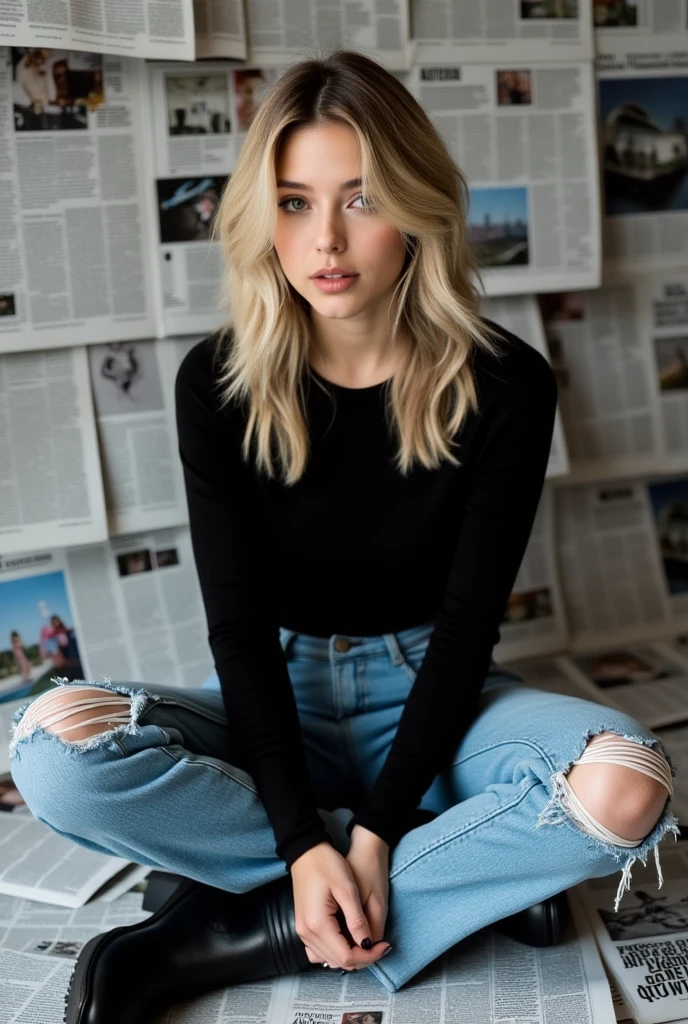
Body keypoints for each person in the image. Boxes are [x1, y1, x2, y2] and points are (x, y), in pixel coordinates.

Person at [7, 49, 679, 1024]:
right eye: (291, 201)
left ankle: (240, 926)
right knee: (51, 751)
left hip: (436, 703)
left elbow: (464, 631)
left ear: (414, 207)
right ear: (259, 216)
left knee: (630, 786)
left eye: (360, 199)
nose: (324, 238)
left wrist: (370, 834)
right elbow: (236, 631)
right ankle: (448, 878)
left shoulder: (506, 385)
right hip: (273, 700)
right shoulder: (220, 384)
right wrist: (304, 838)